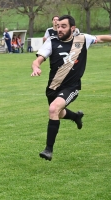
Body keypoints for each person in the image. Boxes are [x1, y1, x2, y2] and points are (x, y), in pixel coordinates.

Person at [31, 15, 111, 161]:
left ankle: (48, 150)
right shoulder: (52, 42)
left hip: (71, 87)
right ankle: (76, 116)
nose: (59, 29)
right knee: (58, 113)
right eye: (58, 26)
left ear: (72, 28)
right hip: (53, 87)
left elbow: (100, 38)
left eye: (63, 26)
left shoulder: (82, 39)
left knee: (53, 109)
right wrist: (36, 67)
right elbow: (37, 60)